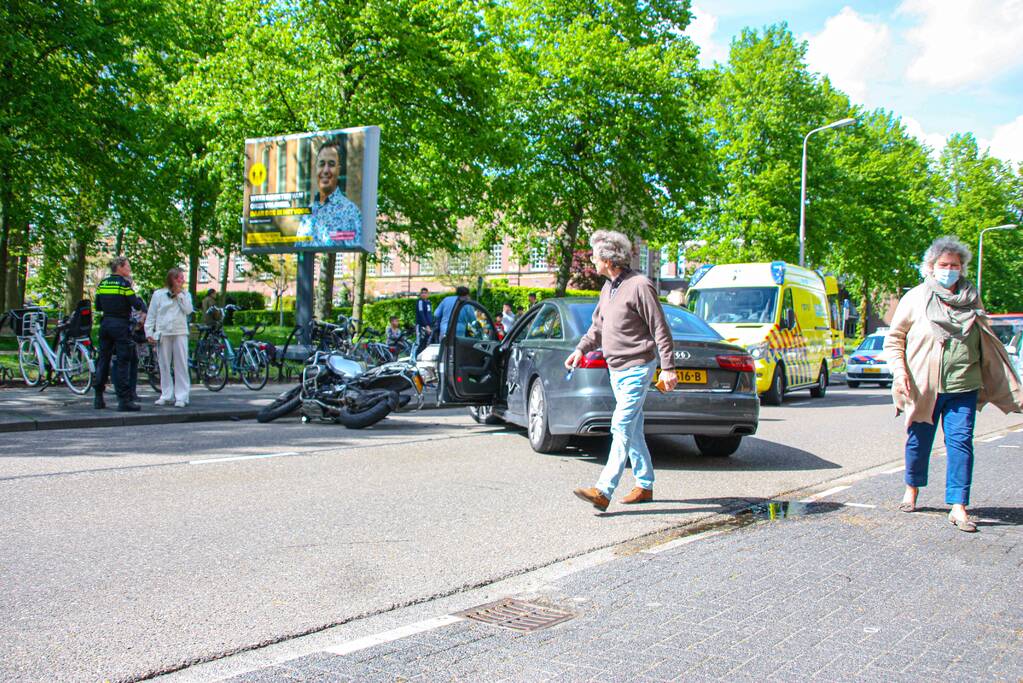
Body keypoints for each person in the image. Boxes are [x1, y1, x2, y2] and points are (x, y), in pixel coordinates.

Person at [884, 236, 1023, 532]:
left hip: (964, 385)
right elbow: (894, 339)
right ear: (932, 267)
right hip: (923, 387)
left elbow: (984, 338)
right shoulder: (916, 298)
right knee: (918, 442)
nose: (949, 269)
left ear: (962, 268)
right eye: (943, 265)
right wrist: (900, 372)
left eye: (955, 265)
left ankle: (958, 505)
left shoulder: (972, 298)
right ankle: (912, 487)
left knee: (960, 443)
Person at [566, 230, 676, 511]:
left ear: (608, 258)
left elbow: (659, 328)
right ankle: (645, 484)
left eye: (595, 255)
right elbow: (598, 328)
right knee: (634, 429)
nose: (592, 260)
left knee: (621, 425)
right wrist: (580, 350)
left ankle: (603, 490)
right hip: (617, 370)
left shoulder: (640, 285)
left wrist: (668, 367)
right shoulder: (608, 288)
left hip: (639, 366)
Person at [94, 256, 146, 412]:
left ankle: (98, 397)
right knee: (123, 361)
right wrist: (142, 304)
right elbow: (135, 304)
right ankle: (124, 400)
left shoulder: (102, 284)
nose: (129, 269)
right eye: (128, 266)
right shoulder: (124, 284)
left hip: (105, 324)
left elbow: (97, 305)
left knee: (103, 360)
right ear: (120, 267)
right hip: (121, 325)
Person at [297, 141, 362, 247]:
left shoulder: (351, 213)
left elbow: (353, 254)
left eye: (331, 164)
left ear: (339, 170)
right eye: (321, 164)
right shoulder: (307, 214)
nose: (326, 170)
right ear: (316, 168)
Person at [145, 267, 194, 408]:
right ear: (172, 279)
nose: (182, 280)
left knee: (181, 365)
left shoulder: (186, 294)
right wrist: (149, 332)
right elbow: (152, 314)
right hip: (163, 332)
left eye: (182, 278)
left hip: (179, 332)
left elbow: (188, 310)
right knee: (164, 364)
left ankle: (182, 396)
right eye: (179, 278)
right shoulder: (158, 294)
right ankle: (166, 394)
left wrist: (180, 295)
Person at [414, 287, 434, 359]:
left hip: (429, 326)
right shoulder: (420, 302)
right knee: (419, 343)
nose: (424, 294)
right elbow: (421, 313)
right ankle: (415, 358)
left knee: (426, 343)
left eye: (425, 293)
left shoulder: (428, 302)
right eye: (422, 293)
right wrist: (426, 326)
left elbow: (429, 314)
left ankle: (422, 358)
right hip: (421, 326)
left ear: (428, 294)